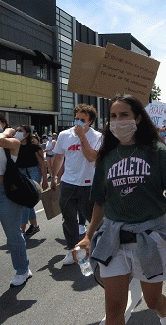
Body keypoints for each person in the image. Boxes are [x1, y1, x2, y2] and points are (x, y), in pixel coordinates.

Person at [74, 94, 166, 325]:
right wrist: (88, 236)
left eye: (124, 115)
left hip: (150, 237)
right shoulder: (106, 157)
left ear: (137, 118)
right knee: (114, 310)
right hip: (113, 238)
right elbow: (99, 202)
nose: (117, 120)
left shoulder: (157, 152)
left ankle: (165, 316)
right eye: (113, 116)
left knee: (153, 301)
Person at [51, 104, 102, 266]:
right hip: (68, 183)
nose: (78, 122)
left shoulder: (98, 137)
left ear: (90, 121)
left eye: (83, 120)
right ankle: (72, 250)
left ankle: (99, 245)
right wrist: (53, 177)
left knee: (93, 218)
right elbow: (59, 157)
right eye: (77, 119)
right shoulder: (64, 135)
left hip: (89, 184)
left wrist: (82, 137)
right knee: (69, 219)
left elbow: (91, 157)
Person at [0, 116, 32, 287]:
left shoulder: (12, 142)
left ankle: (22, 270)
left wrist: (6, 132)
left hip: (6, 192)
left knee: (12, 234)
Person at [16, 125, 49, 236]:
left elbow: (42, 164)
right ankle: (34, 225)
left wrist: (45, 180)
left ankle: (22, 228)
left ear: (27, 133)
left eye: (20, 131)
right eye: (16, 130)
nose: (17, 132)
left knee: (26, 199)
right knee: (27, 201)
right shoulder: (14, 145)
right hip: (20, 173)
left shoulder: (34, 146)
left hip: (33, 172)